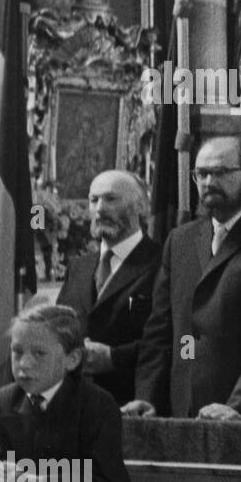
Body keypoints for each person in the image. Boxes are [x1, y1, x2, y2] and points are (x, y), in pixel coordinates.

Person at [123, 137, 241, 421]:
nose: (208, 181)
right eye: (201, 174)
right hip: (182, 407)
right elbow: (160, 328)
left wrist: (240, 403)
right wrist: (147, 396)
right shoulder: (180, 239)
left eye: (219, 172)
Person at [0, 305, 132, 482]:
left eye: (39, 353)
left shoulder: (98, 405)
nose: (24, 364)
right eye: (17, 352)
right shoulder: (0, 402)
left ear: (72, 359)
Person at [55, 170, 160, 405]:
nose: (100, 208)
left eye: (111, 199)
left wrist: (115, 358)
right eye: (94, 200)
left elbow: (176, 341)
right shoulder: (79, 267)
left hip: (132, 404)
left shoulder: (163, 263)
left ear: (140, 206)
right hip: (74, 405)